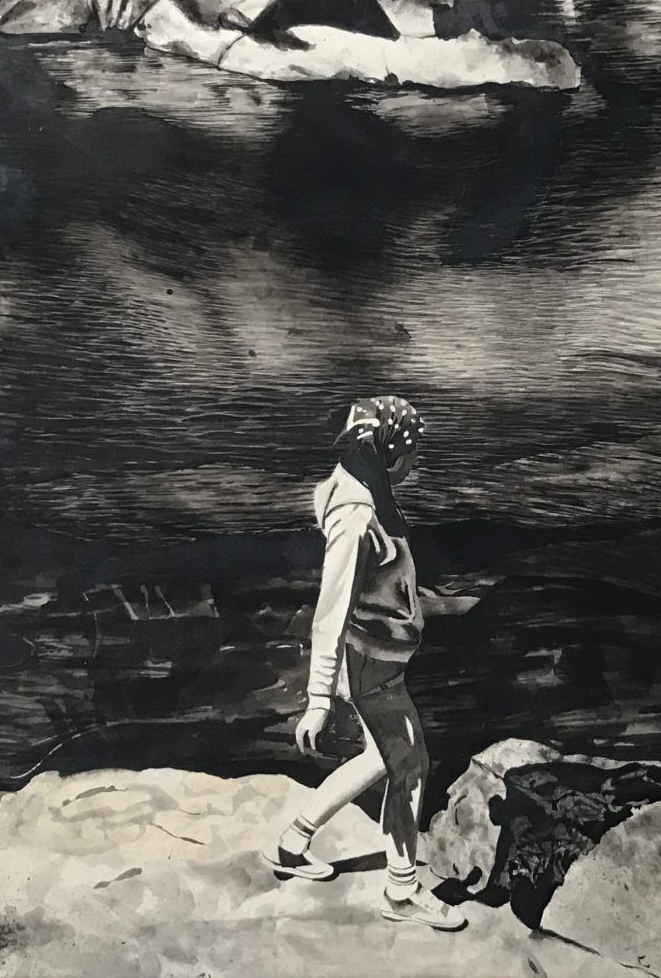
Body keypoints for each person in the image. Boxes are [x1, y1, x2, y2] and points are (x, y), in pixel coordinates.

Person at [261, 395, 463, 931]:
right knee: (411, 763)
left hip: (378, 654)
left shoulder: (361, 487)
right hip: (368, 661)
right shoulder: (357, 516)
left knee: (381, 758)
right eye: (413, 452)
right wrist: (319, 699)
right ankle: (401, 890)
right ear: (390, 452)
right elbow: (331, 607)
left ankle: (293, 842)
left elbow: (378, 581)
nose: (415, 463)